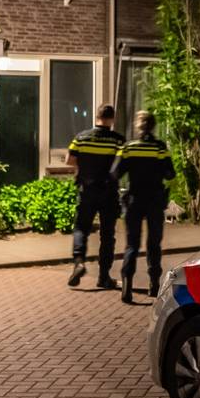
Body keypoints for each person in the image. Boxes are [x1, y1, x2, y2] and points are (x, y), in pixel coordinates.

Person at [112, 111, 175, 303]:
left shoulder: (128, 147)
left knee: (132, 244)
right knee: (154, 243)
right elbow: (170, 174)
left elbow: (115, 173)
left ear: (137, 126)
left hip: (134, 200)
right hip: (154, 200)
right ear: (153, 126)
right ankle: (154, 284)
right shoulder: (160, 148)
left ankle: (127, 284)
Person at [66, 103, 125, 289]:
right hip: (109, 193)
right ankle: (104, 276)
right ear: (112, 119)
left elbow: (69, 160)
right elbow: (122, 164)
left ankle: (79, 262)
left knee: (81, 228)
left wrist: (83, 168)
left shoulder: (81, 138)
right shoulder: (118, 141)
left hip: (87, 191)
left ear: (97, 117)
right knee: (107, 235)